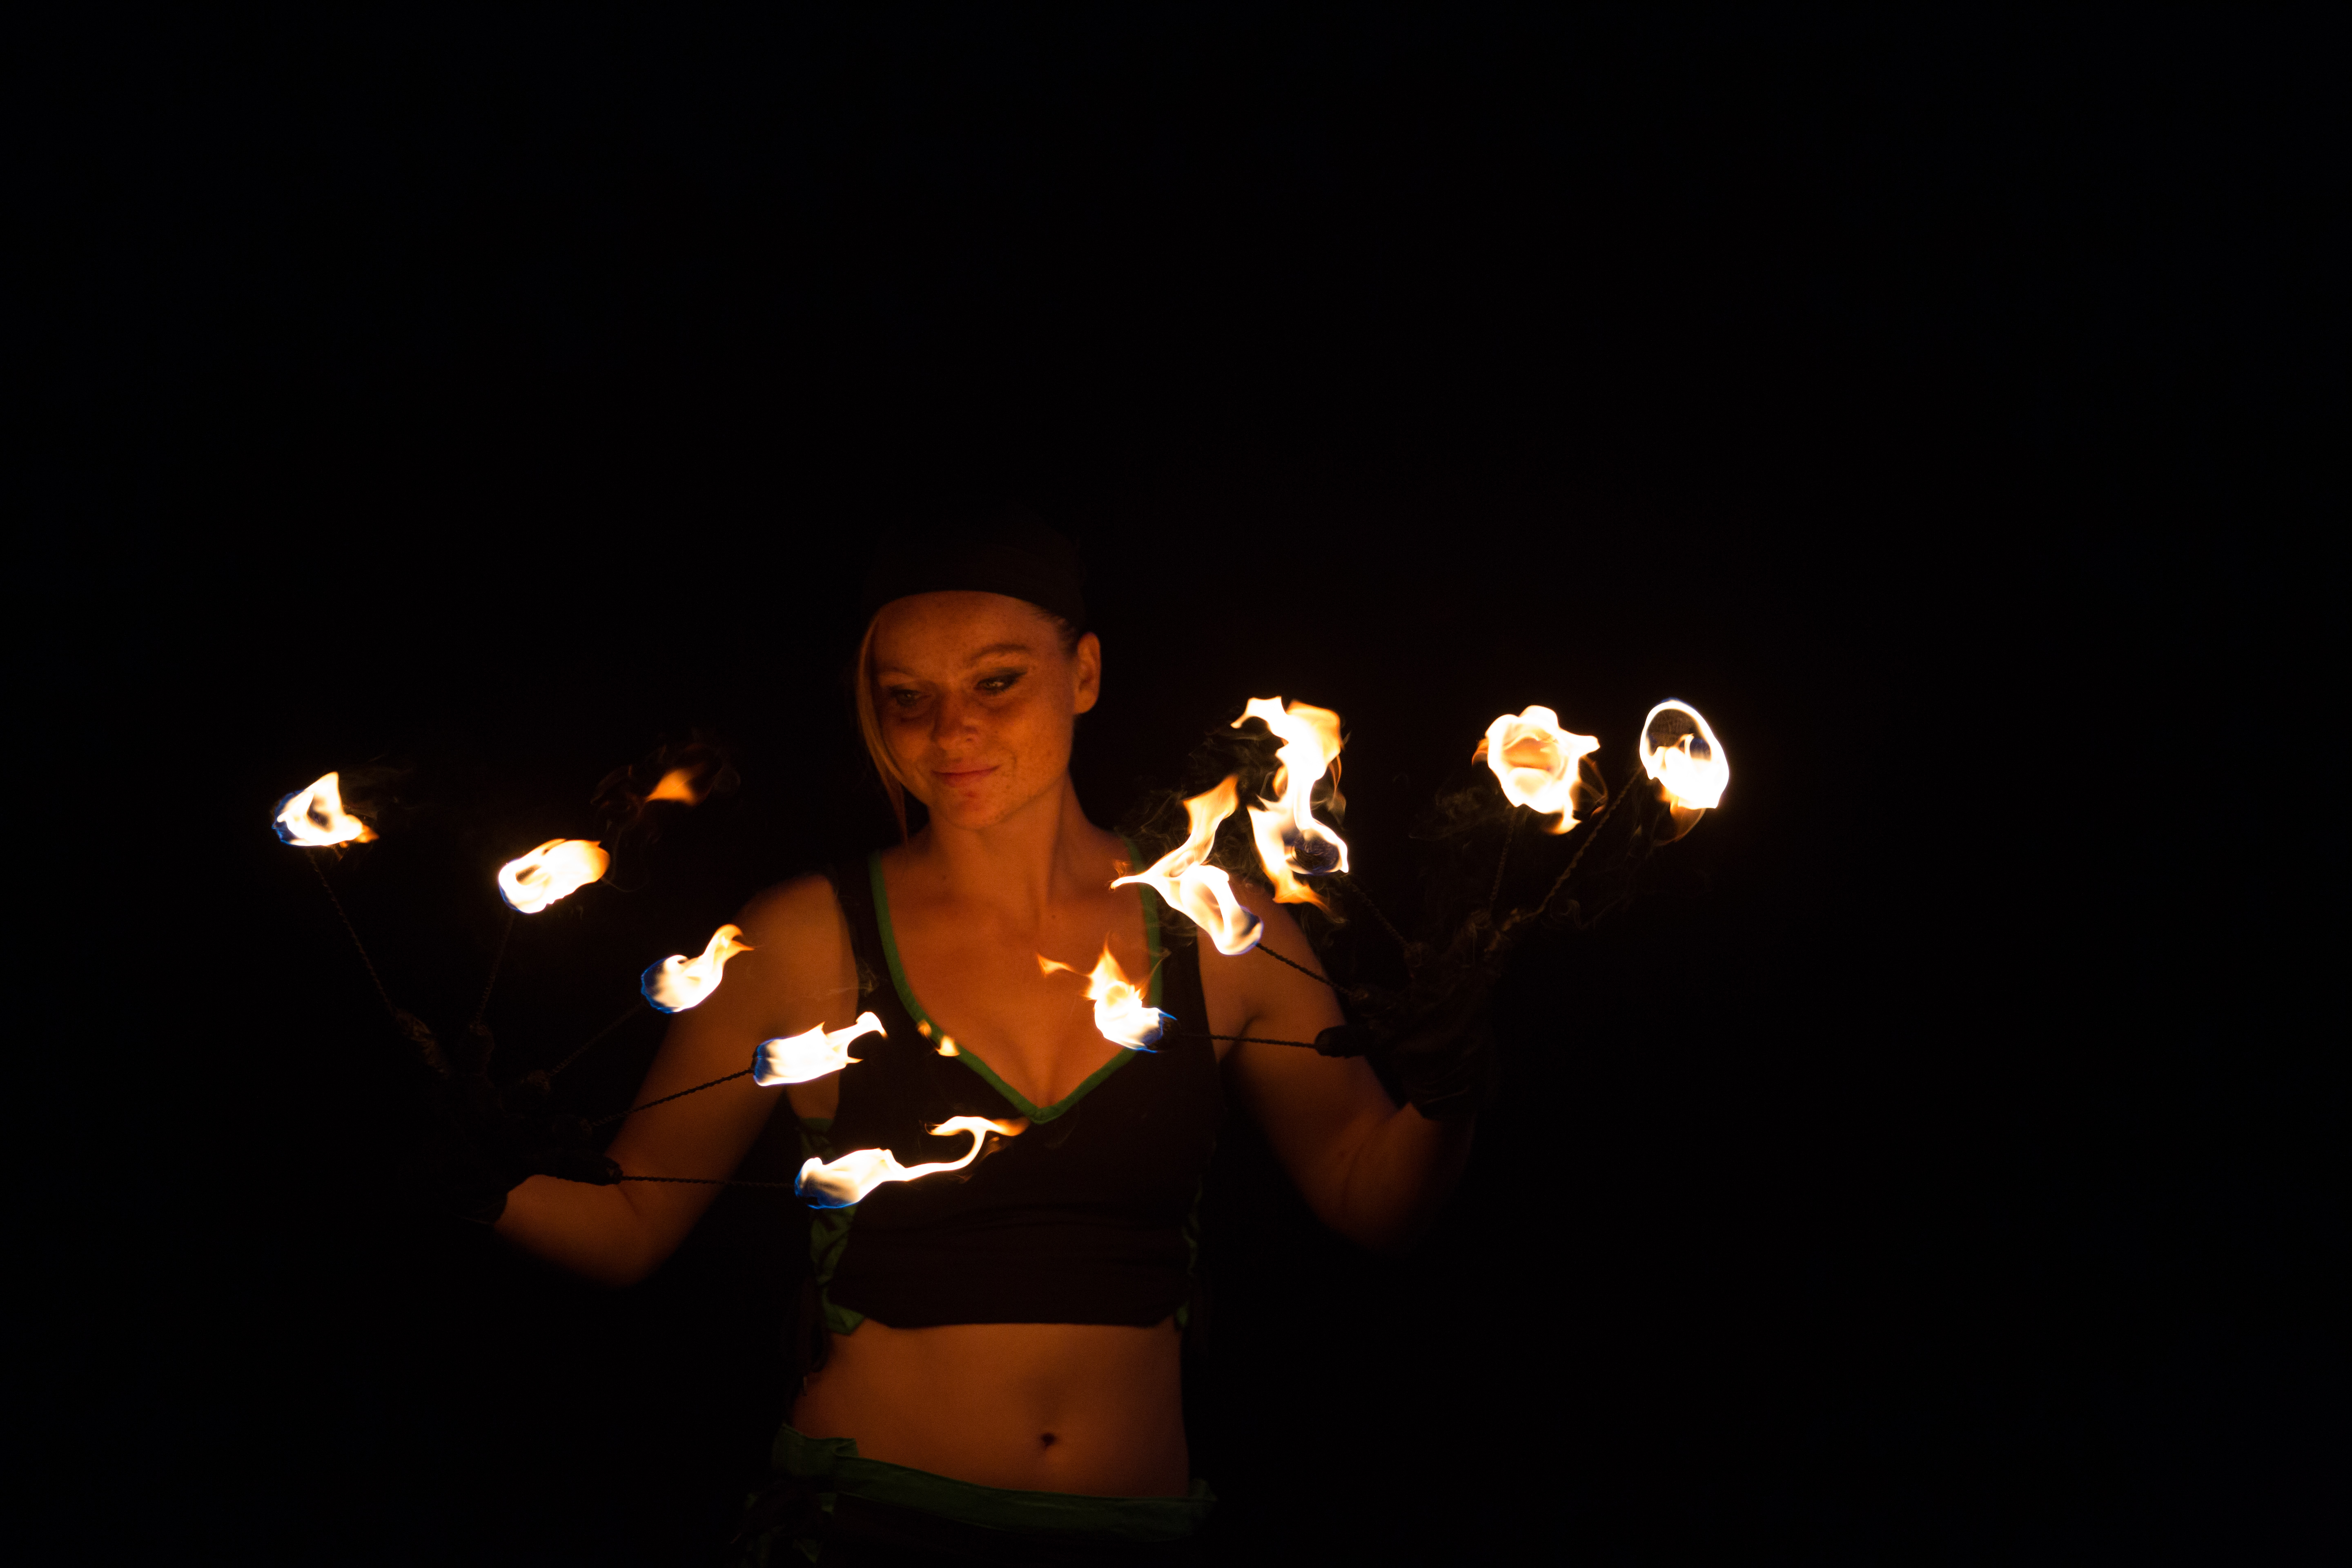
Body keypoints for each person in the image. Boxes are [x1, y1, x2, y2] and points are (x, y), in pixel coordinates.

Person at [490, 514, 1480, 1564]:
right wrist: (473, 1180)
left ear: (1084, 674)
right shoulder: (800, 938)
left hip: (1133, 1536)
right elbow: (632, 1221)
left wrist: (1451, 1094)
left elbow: (1371, 1198)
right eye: (907, 698)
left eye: (997, 682)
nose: (950, 730)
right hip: (864, 1528)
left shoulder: (1222, 931)